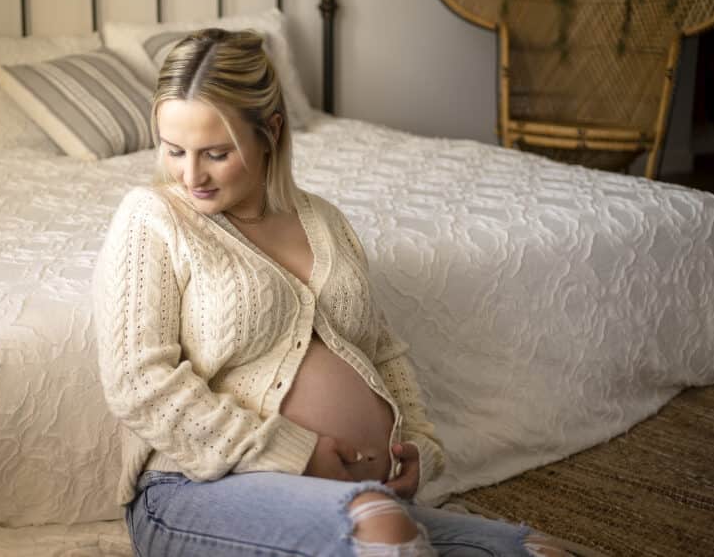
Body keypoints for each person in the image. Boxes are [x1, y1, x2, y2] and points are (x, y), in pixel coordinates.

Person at [92, 29, 568, 556]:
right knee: (384, 532)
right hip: (196, 489)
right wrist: (292, 453)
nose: (191, 174)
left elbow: (382, 349)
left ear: (270, 131)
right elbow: (138, 381)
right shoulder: (153, 217)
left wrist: (420, 449)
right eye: (174, 150)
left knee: (540, 551)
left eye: (217, 153)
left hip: (356, 496)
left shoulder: (325, 221)